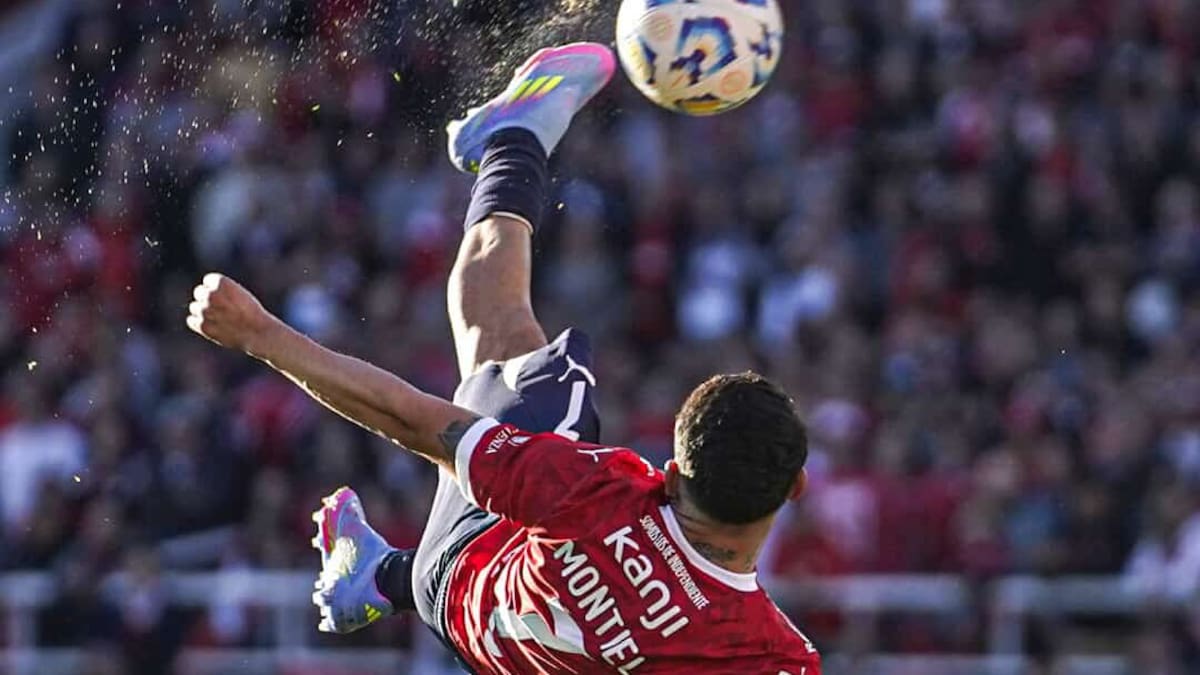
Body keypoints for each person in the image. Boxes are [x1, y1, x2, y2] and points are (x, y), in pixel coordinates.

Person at [187, 42, 820, 674]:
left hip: (466, 570)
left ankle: (516, 136)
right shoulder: (775, 657)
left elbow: (411, 418)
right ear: (796, 488)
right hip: (462, 621)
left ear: (674, 473)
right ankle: (380, 577)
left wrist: (261, 335)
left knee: (507, 339)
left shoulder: (596, 492)